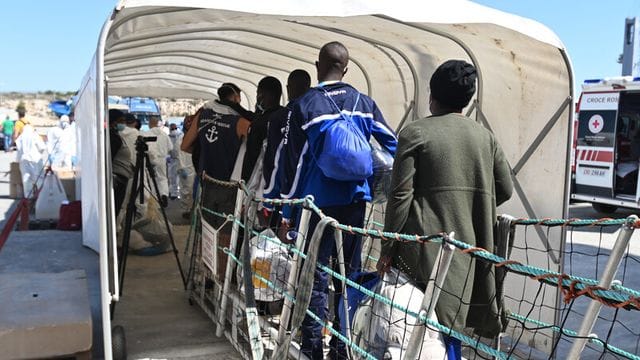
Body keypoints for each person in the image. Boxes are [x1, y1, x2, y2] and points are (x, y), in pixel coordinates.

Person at [377, 60, 514, 354]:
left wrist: (387, 249)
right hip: (468, 254)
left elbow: (399, 198)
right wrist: (467, 205)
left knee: (420, 338)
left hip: (419, 258)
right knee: (451, 335)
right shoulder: (485, 138)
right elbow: (504, 189)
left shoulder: (415, 133)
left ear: (431, 95)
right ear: (468, 100)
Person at [279, 42, 397, 359]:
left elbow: (293, 163)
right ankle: (343, 347)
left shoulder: (305, 104)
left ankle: (312, 345)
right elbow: (393, 145)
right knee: (349, 274)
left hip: (316, 206)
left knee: (314, 274)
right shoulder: (364, 102)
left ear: (318, 66)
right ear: (346, 68)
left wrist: (287, 210)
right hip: (356, 202)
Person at [181, 83, 251, 278]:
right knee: (227, 235)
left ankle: (207, 277)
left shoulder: (203, 116)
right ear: (236, 97)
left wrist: (207, 151)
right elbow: (255, 151)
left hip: (207, 183)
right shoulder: (241, 122)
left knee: (208, 231)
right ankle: (223, 279)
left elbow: (185, 146)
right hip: (230, 187)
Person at [261, 70, 311, 228]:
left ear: (288, 88)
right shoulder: (313, 114)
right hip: (310, 195)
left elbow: (274, 161)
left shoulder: (279, 117)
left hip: (284, 198)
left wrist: (268, 200)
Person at [241, 76, 286, 182]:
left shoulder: (260, 122)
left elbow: (253, 155)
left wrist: (244, 179)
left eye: (257, 93)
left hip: (260, 181)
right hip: (280, 179)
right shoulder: (286, 116)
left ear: (262, 95)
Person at [108, 109, 134, 218]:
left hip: (121, 177)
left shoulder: (116, 135)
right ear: (113, 122)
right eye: (121, 121)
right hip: (117, 179)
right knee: (115, 209)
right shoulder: (113, 137)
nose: (123, 124)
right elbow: (110, 158)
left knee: (118, 208)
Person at [143, 116, 173, 207]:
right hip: (162, 159)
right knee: (163, 178)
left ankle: (155, 200)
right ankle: (164, 194)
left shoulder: (146, 134)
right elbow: (170, 148)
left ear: (150, 124)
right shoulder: (164, 134)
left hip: (151, 160)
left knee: (152, 179)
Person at [15, 124, 46, 198]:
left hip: (24, 160)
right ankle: (41, 196)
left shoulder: (21, 137)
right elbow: (42, 147)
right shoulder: (34, 135)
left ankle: (28, 197)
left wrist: (18, 160)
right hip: (35, 159)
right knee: (38, 177)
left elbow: (19, 150)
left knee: (26, 179)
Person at [168, 123, 182, 199]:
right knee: (175, 178)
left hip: (176, 159)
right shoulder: (180, 135)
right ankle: (176, 193)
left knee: (175, 177)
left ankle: (176, 193)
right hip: (176, 159)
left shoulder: (179, 136)